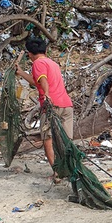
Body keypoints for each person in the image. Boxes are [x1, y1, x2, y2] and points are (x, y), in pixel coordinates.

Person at [15, 35, 74, 168]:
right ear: (45, 51)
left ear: (29, 54)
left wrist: (46, 94)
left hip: (52, 106)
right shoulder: (52, 63)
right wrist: (20, 72)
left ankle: (57, 171)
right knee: (66, 141)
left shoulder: (38, 63)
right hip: (66, 105)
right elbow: (37, 82)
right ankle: (69, 168)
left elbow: (43, 81)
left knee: (48, 139)